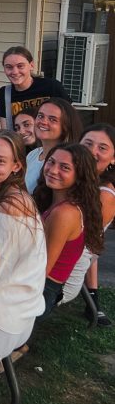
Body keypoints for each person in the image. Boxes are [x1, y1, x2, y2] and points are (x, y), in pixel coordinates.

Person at [0, 131, 47, 369]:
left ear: (16, 166)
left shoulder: (10, 208)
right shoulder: (7, 195)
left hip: (0, 324)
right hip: (18, 313)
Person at [32, 143, 103, 316]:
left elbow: (43, 268)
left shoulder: (65, 213)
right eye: (51, 162)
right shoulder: (58, 201)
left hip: (43, 290)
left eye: (64, 167)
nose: (53, 170)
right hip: (44, 286)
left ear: (79, 176)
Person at [77, 123, 115, 325]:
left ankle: (92, 299)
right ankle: (92, 299)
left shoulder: (105, 194)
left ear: (113, 158)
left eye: (102, 148)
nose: (93, 151)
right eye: (88, 144)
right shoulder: (69, 176)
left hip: (75, 256)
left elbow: (89, 243)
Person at [0, 47, 69, 126]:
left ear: (31, 65)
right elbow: (6, 128)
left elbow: (71, 118)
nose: (15, 72)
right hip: (20, 137)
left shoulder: (51, 86)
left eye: (20, 66)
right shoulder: (6, 93)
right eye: (9, 67)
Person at [24, 98, 82, 192]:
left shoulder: (68, 162)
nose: (43, 122)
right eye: (40, 116)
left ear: (65, 127)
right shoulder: (33, 154)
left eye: (52, 119)